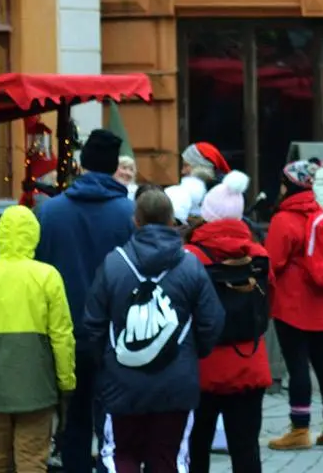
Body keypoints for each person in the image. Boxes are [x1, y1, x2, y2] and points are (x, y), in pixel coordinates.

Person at [83, 189, 223, 473]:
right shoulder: (191, 264)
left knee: (121, 455)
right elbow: (212, 321)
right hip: (177, 383)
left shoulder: (113, 263)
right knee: (168, 458)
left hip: (122, 382)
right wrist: (191, 353)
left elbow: (93, 325)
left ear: (136, 221)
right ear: (172, 220)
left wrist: (107, 362)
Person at [34, 128, 137, 473]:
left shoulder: (50, 213)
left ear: (80, 163)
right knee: (111, 423)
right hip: (115, 335)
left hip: (64, 332)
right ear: (113, 167)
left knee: (73, 420)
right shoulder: (128, 214)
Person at [0, 205, 77, 473]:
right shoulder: (48, 276)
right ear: (34, 235)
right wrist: (65, 380)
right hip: (37, 385)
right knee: (32, 460)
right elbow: (61, 335)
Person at [184, 177, 267, 473]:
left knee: (196, 449)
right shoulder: (258, 256)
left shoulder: (190, 257)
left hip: (202, 367)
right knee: (246, 450)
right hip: (250, 364)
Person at [264, 159, 323, 450]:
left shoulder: (284, 219)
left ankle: (300, 430)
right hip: (321, 301)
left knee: (297, 363)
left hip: (293, 303)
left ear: (288, 185)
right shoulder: (320, 215)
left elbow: (272, 261)